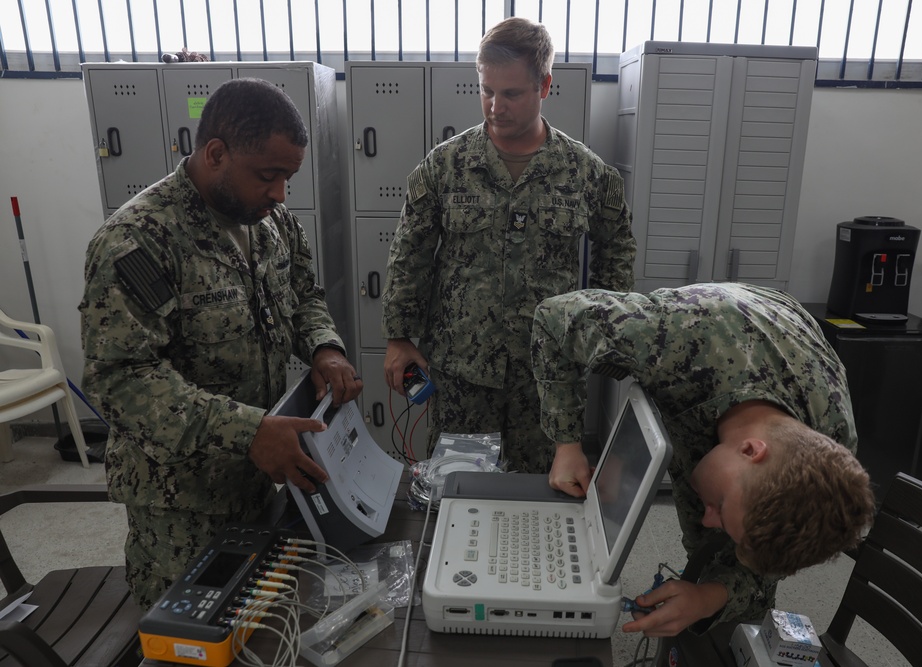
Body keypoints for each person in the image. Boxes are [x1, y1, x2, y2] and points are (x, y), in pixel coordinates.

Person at [79, 78, 362, 609]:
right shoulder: (138, 241)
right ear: (215, 154)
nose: (280, 194)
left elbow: (304, 294)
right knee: (189, 635)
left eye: (288, 178)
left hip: (260, 473)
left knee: (259, 621)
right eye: (268, 175)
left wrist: (325, 347)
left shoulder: (268, 221)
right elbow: (121, 379)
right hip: (183, 500)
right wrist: (248, 429)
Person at [531, 282, 874, 637]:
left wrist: (711, 596)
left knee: (732, 574)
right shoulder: (667, 336)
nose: (708, 520)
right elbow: (553, 316)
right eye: (720, 507)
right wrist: (567, 444)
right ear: (750, 450)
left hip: (781, 349)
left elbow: (769, 558)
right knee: (707, 546)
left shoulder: (831, 449)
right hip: (721, 329)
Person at [381, 17, 636, 473]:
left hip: (547, 375)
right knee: (455, 496)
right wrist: (399, 336)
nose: (495, 106)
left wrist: (603, 326)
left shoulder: (585, 172)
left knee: (540, 498)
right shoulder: (446, 167)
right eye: (486, 90)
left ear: (545, 86)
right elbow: (409, 254)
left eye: (511, 94)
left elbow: (616, 247)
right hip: (462, 371)